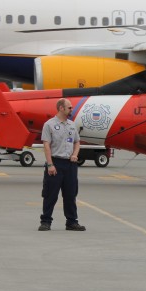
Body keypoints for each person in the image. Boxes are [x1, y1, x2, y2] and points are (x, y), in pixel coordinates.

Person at [38, 98, 86, 231]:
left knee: (70, 194)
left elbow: (77, 142)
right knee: (50, 194)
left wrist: (75, 154)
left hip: (70, 165)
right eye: (69, 107)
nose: (72, 109)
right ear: (61, 108)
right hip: (56, 163)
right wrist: (50, 165)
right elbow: (46, 145)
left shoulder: (71, 125)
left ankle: (71, 222)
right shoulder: (49, 125)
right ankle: (46, 221)